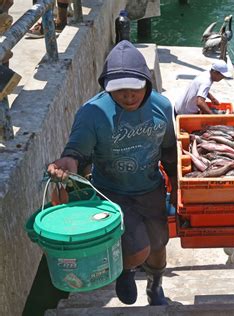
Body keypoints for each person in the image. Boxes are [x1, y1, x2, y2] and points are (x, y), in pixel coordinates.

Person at [47, 40, 177, 306]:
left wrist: (176, 187)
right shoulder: (92, 113)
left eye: (135, 88)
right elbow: (76, 151)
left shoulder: (162, 107)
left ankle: (155, 285)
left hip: (151, 188)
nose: (128, 95)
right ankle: (126, 270)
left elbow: (170, 152)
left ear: (147, 83)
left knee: (158, 246)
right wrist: (70, 161)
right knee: (138, 248)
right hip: (112, 193)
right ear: (106, 88)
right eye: (119, 90)